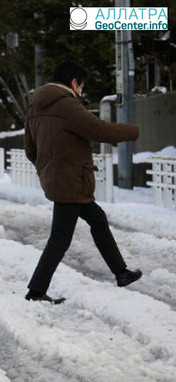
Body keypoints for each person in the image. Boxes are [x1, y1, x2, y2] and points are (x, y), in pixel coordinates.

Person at [23, 60, 142, 304]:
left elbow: (29, 149)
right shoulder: (67, 104)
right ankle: (36, 291)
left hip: (60, 179)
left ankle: (121, 273)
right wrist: (133, 132)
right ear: (75, 82)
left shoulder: (35, 106)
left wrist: (47, 168)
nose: (82, 91)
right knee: (60, 238)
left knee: (97, 220)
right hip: (71, 180)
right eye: (82, 86)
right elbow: (98, 129)